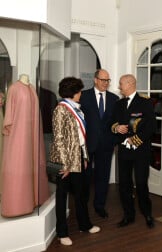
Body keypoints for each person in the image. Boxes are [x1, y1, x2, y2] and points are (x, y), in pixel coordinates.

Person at [50, 77, 100, 246]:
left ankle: (85, 225)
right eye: (79, 92)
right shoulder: (61, 109)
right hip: (65, 159)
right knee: (62, 196)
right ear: (73, 93)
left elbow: (81, 137)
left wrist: (84, 157)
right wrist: (66, 165)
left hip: (78, 154)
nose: (81, 95)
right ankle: (62, 232)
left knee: (81, 194)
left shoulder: (77, 109)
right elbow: (59, 139)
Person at [111, 74, 156, 228]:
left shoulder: (146, 102)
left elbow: (151, 127)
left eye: (121, 83)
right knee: (124, 185)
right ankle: (128, 215)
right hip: (124, 150)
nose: (119, 86)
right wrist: (117, 128)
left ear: (130, 84)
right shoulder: (118, 104)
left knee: (142, 184)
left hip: (141, 151)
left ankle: (147, 214)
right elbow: (112, 123)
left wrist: (135, 140)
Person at [1, 74, 49, 217]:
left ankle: (34, 199)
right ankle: (17, 205)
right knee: (19, 164)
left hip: (33, 133)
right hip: (19, 135)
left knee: (32, 163)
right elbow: (9, 112)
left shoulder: (32, 88)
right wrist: (8, 127)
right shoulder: (14, 88)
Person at [80, 69, 119, 218]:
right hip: (87, 144)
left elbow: (117, 122)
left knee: (103, 176)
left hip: (106, 145)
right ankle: (82, 206)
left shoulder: (114, 99)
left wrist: (114, 141)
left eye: (108, 80)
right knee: (85, 177)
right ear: (95, 80)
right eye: (103, 80)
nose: (106, 83)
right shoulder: (83, 96)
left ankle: (99, 206)